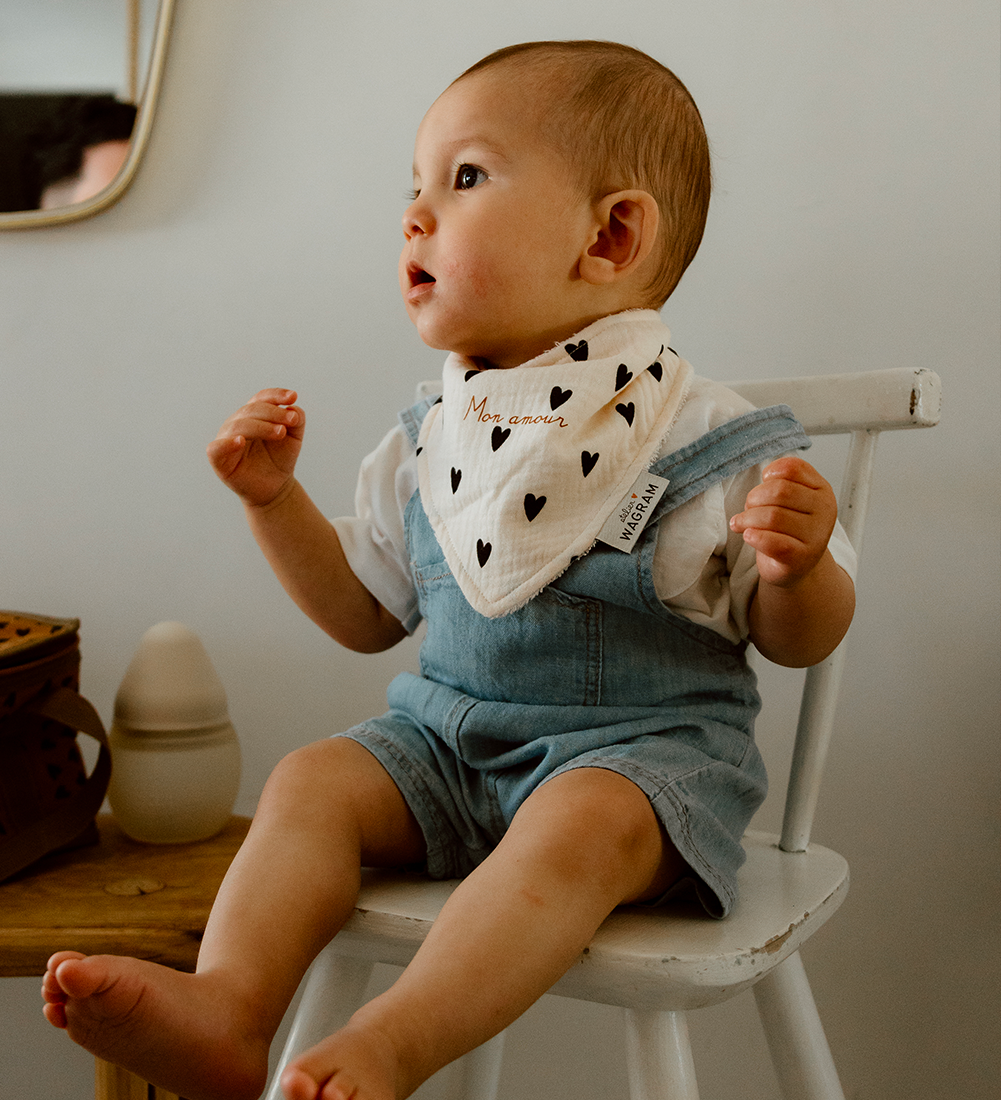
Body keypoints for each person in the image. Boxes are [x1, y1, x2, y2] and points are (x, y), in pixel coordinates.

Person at [42, 40, 856, 1100]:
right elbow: (362, 614)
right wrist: (273, 502)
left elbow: (798, 635)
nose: (414, 215)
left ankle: (391, 1040)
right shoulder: (435, 435)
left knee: (579, 824)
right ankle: (230, 1006)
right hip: (445, 747)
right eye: (412, 190)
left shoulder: (703, 435)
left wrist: (795, 568)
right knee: (310, 780)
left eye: (462, 178)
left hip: (635, 765)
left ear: (609, 234)